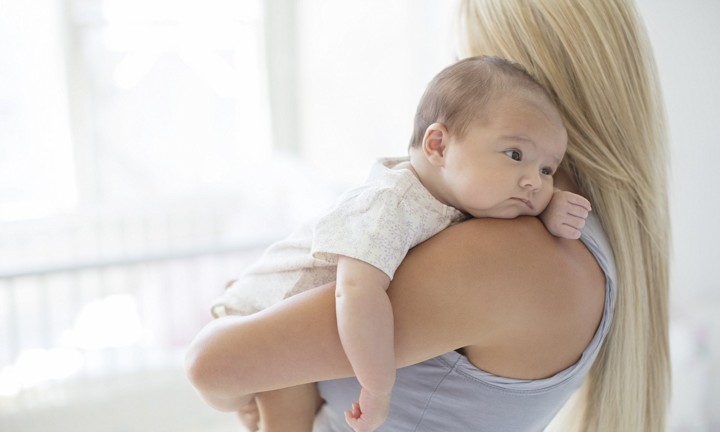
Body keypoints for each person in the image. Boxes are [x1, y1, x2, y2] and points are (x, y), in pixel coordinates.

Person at [185, 0, 670, 430]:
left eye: (468, 57)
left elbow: (210, 365)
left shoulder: (506, 256)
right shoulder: (586, 243)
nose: (535, 182)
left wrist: (245, 379)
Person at [206, 55, 590, 432]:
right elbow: (356, 292)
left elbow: (500, 200)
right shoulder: (391, 204)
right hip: (264, 307)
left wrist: (550, 208)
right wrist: (376, 386)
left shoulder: (461, 198)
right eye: (515, 155)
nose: (534, 182)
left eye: (546, 169)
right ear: (437, 146)